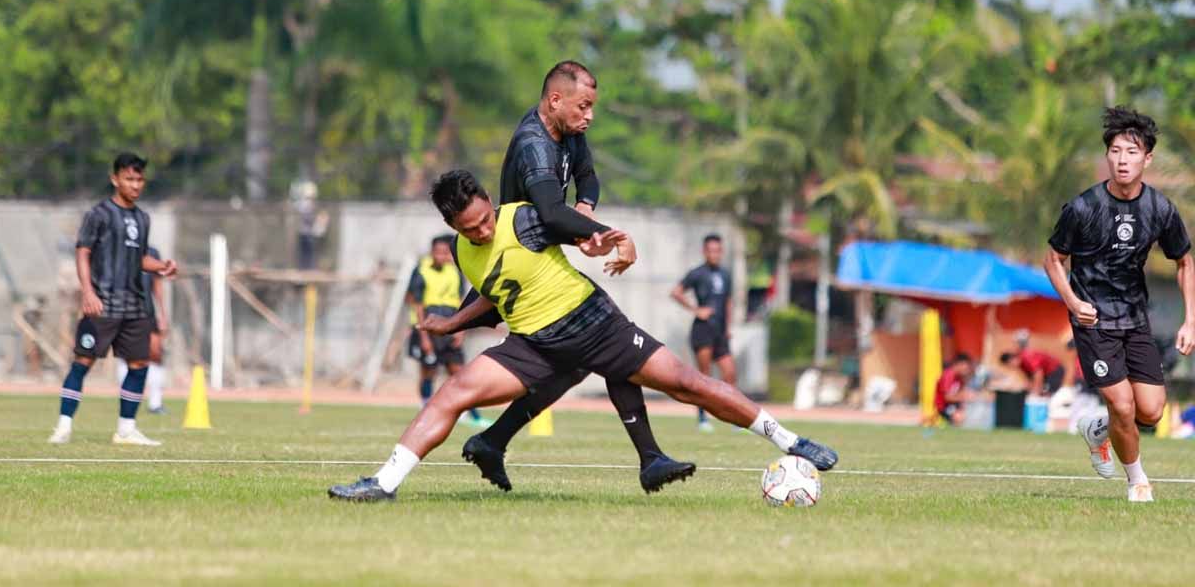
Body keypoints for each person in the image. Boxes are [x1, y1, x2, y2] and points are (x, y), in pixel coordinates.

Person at [327, 171, 838, 501]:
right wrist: (450, 323)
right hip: (534, 344)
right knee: (454, 392)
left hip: (595, 326)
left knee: (689, 383)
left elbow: (579, 231)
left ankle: (794, 441)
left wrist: (604, 243)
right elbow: (493, 296)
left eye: (484, 221)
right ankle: (384, 482)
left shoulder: (525, 218)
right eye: (470, 229)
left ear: (490, 201)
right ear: (452, 226)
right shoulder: (464, 253)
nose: (482, 232)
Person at [462, 60, 694, 494]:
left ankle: (492, 440)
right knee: (609, 345)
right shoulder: (534, 143)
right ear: (555, 100)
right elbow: (549, 213)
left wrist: (584, 211)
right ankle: (648, 458)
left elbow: (586, 179)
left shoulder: (569, 133)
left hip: (543, 258)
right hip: (525, 266)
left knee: (580, 362)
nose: (589, 116)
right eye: (584, 107)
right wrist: (601, 234)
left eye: (592, 108)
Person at [1044, 106, 1195, 502]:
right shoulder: (1082, 208)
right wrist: (1074, 302)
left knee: (1151, 411)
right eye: (1115, 151)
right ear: (1106, 156)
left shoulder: (1159, 209)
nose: (1122, 159)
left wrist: (1190, 321)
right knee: (1123, 405)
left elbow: (1184, 262)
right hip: (1093, 318)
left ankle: (1098, 429)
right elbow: (1053, 260)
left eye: (1131, 152)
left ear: (1147, 158)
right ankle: (1138, 481)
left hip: (1134, 318)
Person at [48, 153, 178, 446]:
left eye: (139, 179)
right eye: (129, 179)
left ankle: (126, 429)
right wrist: (88, 292)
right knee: (82, 362)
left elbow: (139, 257)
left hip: (135, 306)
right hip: (103, 304)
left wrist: (161, 266)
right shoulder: (99, 214)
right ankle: (63, 426)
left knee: (139, 365)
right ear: (115, 179)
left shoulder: (143, 218)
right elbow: (83, 251)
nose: (135, 185)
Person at [406, 234, 489, 428]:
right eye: (438, 252)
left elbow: (461, 301)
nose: (442, 256)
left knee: (460, 373)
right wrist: (424, 337)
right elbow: (417, 305)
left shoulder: (455, 271)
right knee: (428, 372)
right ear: (432, 252)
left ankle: (474, 417)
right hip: (429, 326)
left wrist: (461, 329)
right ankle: (425, 412)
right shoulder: (421, 271)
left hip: (450, 324)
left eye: (445, 253)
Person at [672, 234, 736, 431]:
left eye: (717, 250)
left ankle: (736, 418)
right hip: (703, 330)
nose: (714, 254)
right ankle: (703, 418)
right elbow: (676, 292)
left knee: (730, 373)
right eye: (710, 250)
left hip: (720, 331)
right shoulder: (697, 273)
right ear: (704, 251)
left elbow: (727, 302)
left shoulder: (725, 274)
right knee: (704, 376)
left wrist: (728, 327)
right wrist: (696, 310)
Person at [117, 246, 170, 414]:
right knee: (125, 357)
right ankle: (128, 402)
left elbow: (157, 284)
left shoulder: (152, 252)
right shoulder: (116, 248)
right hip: (121, 311)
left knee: (155, 354)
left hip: (146, 312)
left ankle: (155, 403)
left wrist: (162, 313)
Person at [934, 355, 975, 426]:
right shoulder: (948, 376)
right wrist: (964, 397)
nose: (967, 370)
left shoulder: (959, 378)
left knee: (969, 413)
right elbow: (947, 397)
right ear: (959, 364)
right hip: (943, 407)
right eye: (966, 367)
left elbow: (961, 392)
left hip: (953, 405)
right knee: (959, 417)